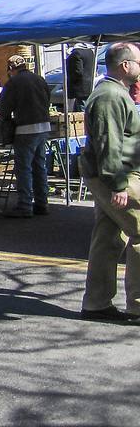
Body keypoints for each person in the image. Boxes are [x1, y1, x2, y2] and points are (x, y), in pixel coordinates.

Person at [80, 42, 140, 322]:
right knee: (139, 231)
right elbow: (109, 142)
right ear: (125, 65)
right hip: (117, 175)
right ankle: (137, 304)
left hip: (113, 173)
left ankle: (96, 302)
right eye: (138, 62)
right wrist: (117, 185)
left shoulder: (116, 93)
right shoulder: (109, 96)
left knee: (108, 236)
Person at [0, 54, 52, 218]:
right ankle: (42, 203)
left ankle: (25, 205)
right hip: (44, 127)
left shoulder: (13, 83)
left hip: (25, 129)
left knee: (24, 168)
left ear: (10, 69)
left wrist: (6, 120)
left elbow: (4, 108)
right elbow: (47, 100)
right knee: (39, 166)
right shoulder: (39, 79)